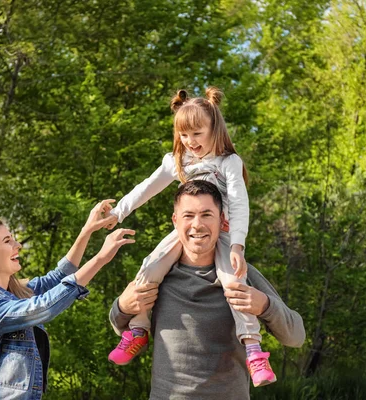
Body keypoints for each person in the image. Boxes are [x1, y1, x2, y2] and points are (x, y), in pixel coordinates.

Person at [105, 87, 274, 386]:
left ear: (214, 129)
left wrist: (237, 244)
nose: (190, 142)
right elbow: (147, 187)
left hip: (221, 235)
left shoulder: (227, 162)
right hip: (186, 233)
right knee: (149, 267)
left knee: (234, 282)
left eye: (197, 133)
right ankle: (138, 330)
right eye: (184, 135)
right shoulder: (177, 161)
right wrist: (118, 212)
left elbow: (238, 203)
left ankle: (254, 350)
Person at [109, 181, 305, 399]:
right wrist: (122, 307)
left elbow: (296, 336)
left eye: (206, 215)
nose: (197, 224)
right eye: (188, 215)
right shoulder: (156, 275)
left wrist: (265, 306)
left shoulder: (240, 274)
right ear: (175, 221)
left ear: (222, 221)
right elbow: (126, 334)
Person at [0, 199, 134, 399]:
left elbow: (57, 277)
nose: (18, 245)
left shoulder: (13, 293)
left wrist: (87, 230)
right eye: (7, 241)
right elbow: (41, 308)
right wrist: (100, 258)